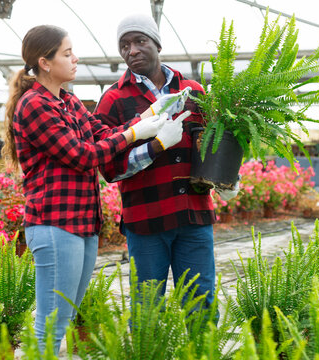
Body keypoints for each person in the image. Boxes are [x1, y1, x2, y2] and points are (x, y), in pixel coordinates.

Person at [2, 24, 175, 353]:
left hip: (82, 223)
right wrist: (136, 135)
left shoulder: (66, 100)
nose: (75, 58)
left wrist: (148, 117)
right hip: (55, 224)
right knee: (50, 323)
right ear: (45, 62)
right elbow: (82, 156)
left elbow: (99, 131)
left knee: (62, 318)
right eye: (67, 54)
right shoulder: (34, 105)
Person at [94, 14, 238, 313]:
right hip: (146, 221)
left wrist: (227, 177)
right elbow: (109, 168)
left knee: (201, 303)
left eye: (139, 41)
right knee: (147, 310)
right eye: (124, 45)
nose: (131, 50)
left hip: (194, 217)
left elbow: (214, 141)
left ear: (157, 43)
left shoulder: (194, 92)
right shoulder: (114, 99)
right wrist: (155, 146)